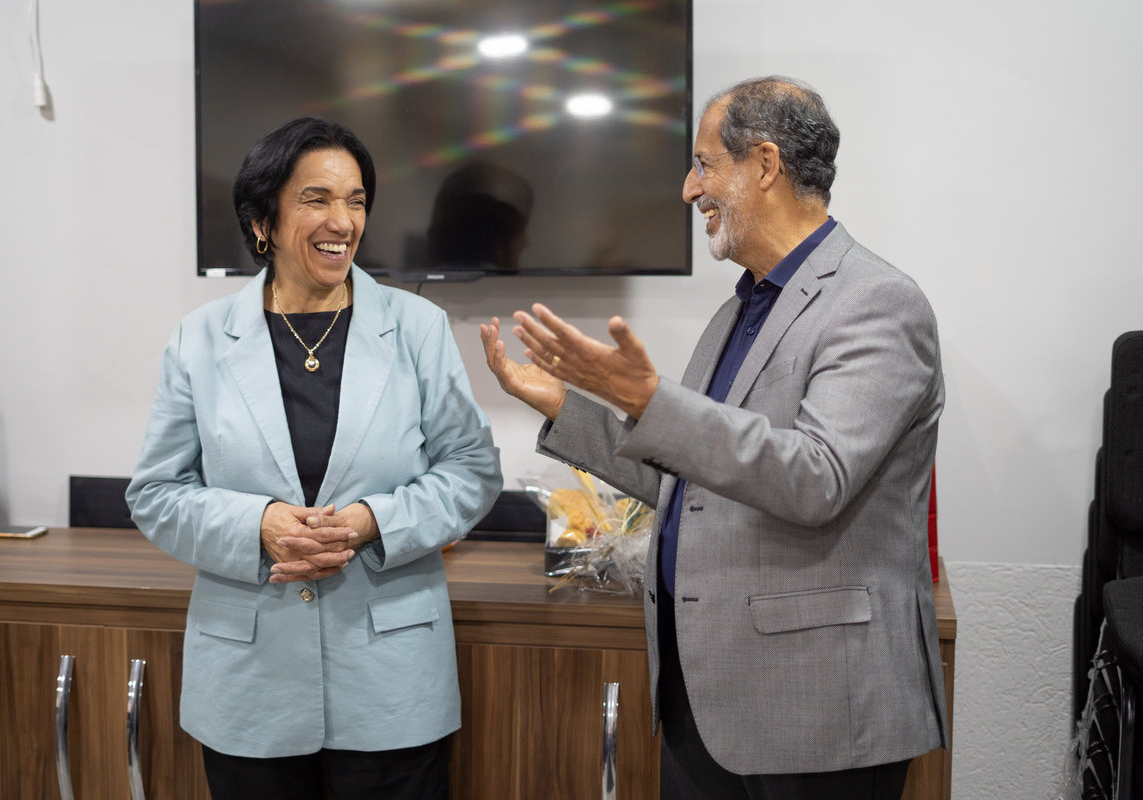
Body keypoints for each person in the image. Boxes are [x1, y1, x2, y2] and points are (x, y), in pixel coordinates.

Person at [481, 76, 947, 799]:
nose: (688, 188)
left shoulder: (878, 303)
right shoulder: (738, 312)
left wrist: (647, 397)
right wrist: (564, 405)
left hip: (817, 711)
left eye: (703, 164)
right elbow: (688, 478)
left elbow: (816, 478)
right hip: (704, 700)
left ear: (764, 164)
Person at [127, 117, 502, 799]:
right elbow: (156, 493)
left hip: (390, 680)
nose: (343, 221)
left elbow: (471, 469)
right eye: (316, 199)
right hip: (250, 684)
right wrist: (259, 525)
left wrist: (370, 521)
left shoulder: (416, 328)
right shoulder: (200, 339)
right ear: (262, 221)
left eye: (356, 200)